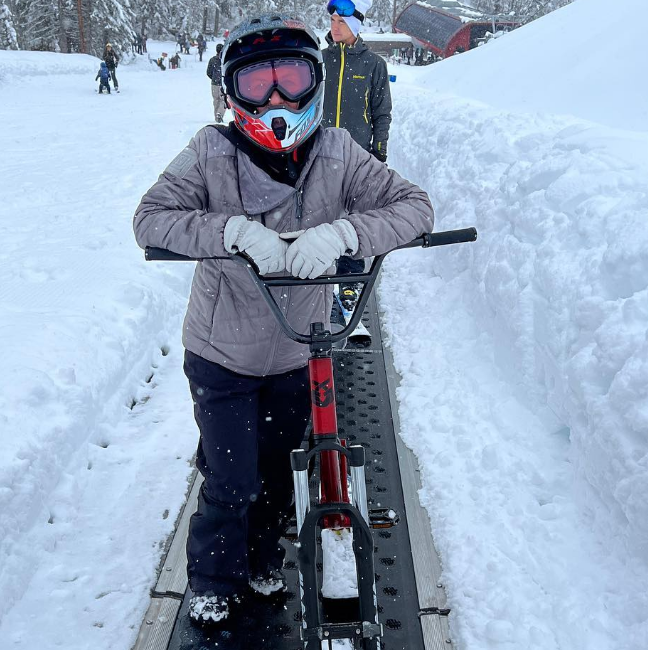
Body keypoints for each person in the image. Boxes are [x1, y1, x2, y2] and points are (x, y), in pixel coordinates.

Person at [133, 14, 434, 626]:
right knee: (231, 480)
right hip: (223, 354)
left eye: (290, 78)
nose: (275, 99)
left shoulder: (336, 150)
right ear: (231, 91)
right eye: (257, 83)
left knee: (274, 471)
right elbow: (151, 218)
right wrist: (231, 232)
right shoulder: (211, 151)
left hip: (299, 351)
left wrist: (347, 231)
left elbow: (414, 208)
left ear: (314, 84)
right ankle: (214, 577)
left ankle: (265, 553)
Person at [322, 0, 393, 323]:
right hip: (318, 153)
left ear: (356, 26)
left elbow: (381, 111)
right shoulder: (321, 60)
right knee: (319, 213)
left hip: (357, 155)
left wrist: (378, 151)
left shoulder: (373, 65)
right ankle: (318, 276)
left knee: (353, 218)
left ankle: (349, 280)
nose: (334, 26)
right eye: (333, 20)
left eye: (341, 21)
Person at [205, 43, 225, 123]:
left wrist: (213, 78)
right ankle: (219, 113)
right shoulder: (224, 60)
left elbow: (208, 72)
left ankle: (216, 116)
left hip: (214, 84)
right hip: (222, 84)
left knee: (215, 100)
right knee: (223, 100)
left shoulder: (212, 60)